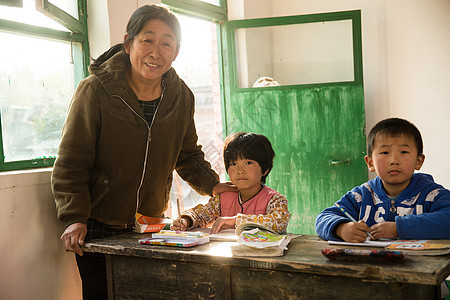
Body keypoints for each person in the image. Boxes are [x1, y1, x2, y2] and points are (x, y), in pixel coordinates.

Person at [51, 4, 235, 299]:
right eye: (147, 40)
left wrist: (214, 186)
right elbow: (72, 161)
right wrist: (74, 216)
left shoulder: (181, 96)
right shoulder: (96, 91)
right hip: (98, 224)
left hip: (150, 223)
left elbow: (187, 154)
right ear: (128, 43)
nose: (156, 52)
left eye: (166, 43)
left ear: (176, 52)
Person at [315, 117, 450, 243]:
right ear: (370, 162)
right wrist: (341, 229)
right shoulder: (361, 195)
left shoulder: (432, 195)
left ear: (419, 161)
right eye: (385, 152)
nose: (394, 161)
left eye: (404, 152)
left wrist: (398, 228)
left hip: (422, 267)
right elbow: (323, 218)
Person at [171, 132, 291, 234]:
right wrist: (186, 220)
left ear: (265, 169)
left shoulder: (275, 200)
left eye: (248, 163)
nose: (240, 170)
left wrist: (236, 221)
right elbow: (201, 215)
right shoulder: (222, 198)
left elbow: (279, 222)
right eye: (233, 164)